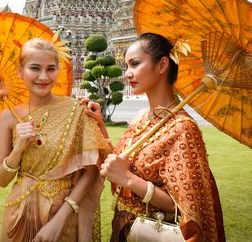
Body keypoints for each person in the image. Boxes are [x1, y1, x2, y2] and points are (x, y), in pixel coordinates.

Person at [79, 32, 225, 241]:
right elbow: (119, 164)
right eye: (127, 66)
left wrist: (128, 179)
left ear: (162, 65)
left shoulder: (183, 128)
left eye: (135, 64)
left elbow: (185, 206)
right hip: (122, 229)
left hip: (151, 233)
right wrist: (100, 123)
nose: (127, 73)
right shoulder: (140, 117)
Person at [0, 37, 111, 242]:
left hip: (64, 211)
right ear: (20, 71)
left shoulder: (74, 110)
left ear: (58, 70)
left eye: (51, 68)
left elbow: (91, 172)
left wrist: (60, 219)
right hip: (19, 210)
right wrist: (18, 148)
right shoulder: (8, 117)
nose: (43, 76)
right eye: (35, 68)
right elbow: (1, 180)